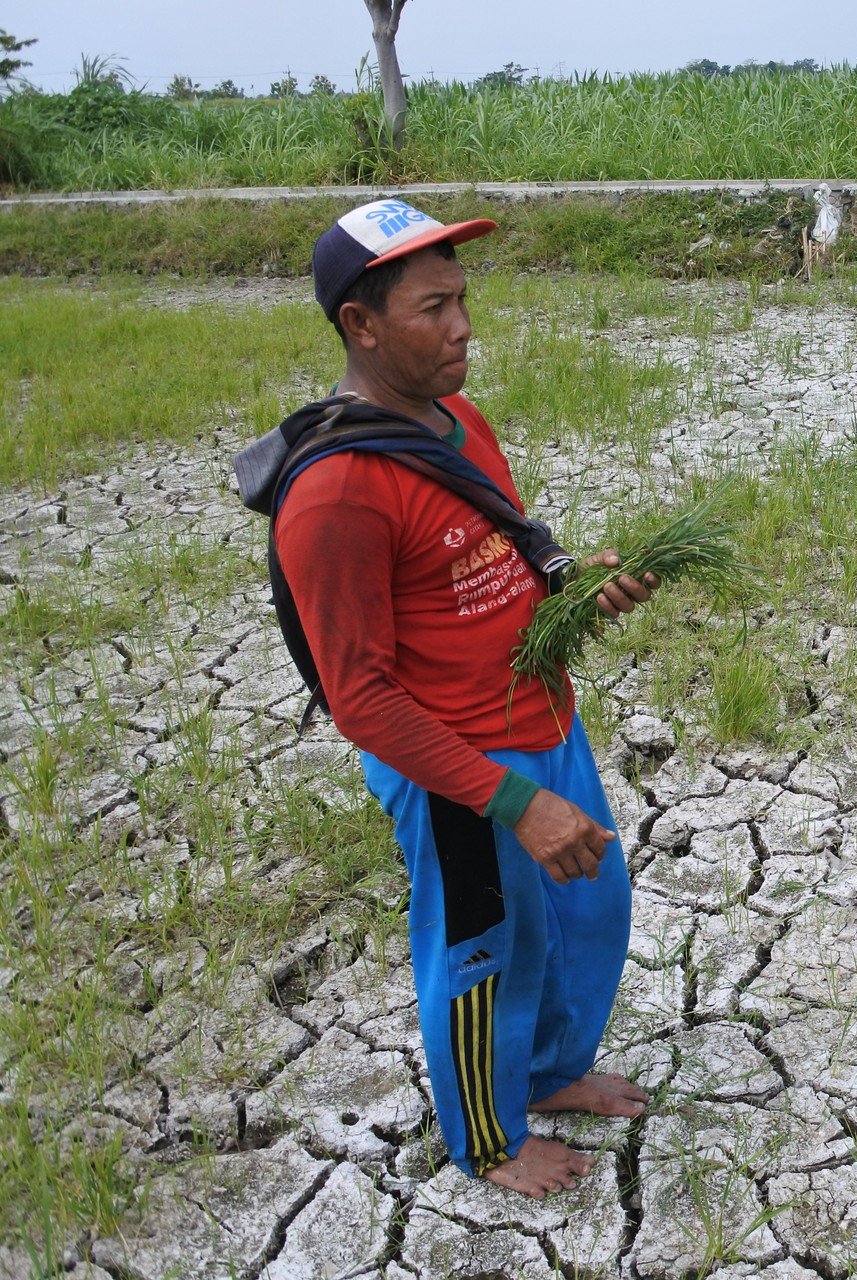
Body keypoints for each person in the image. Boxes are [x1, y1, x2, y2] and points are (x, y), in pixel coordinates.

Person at [266, 198, 654, 1198]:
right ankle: (486, 1136)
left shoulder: (454, 420)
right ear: (361, 324)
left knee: (591, 904)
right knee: (484, 953)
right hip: (457, 769)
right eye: (433, 307)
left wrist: (577, 583)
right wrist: (513, 800)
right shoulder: (338, 492)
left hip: (542, 717)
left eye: (462, 300)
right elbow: (358, 698)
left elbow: (503, 542)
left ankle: (548, 1069)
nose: (462, 326)